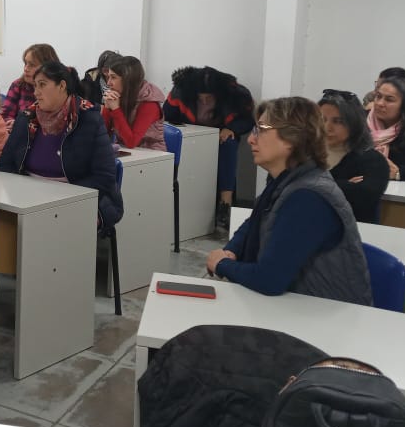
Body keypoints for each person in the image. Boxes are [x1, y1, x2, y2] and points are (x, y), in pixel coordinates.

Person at [205, 97, 372, 304]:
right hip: (298, 307)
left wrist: (222, 264)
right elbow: (254, 222)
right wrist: (230, 251)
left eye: (261, 129)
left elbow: (269, 280)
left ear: (292, 138)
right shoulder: (287, 180)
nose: (251, 139)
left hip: (324, 315)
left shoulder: (308, 197)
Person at [0, 61, 123, 228]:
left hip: (77, 200)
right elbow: (5, 164)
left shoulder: (88, 119)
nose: (36, 92)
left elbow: (104, 177)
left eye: (42, 85)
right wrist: (26, 194)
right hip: (30, 201)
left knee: (47, 228)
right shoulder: (27, 117)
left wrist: (56, 196)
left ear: (62, 86)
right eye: (35, 86)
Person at [163, 65, 255, 232]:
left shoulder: (236, 95)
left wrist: (232, 129)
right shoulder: (181, 92)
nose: (205, 101)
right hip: (191, 136)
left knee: (228, 144)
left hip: (222, 137)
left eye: (209, 97)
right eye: (201, 97)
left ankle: (225, 204)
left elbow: (247, 120)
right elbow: (168, 116)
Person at [318, 89, 390, 224]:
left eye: (337, 121)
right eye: (322, 119)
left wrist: (314, 184)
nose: (327, 127)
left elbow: (363, 198)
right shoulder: (305, 154)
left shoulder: (372, 160)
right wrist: (344, 185)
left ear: (354, 124)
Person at [101, 55, 166, 150]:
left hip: (151, 153)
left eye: (113, 77)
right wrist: (107, 107)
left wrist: (115, 109)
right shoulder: (120, 96)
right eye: (108, 77)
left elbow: (131, 142)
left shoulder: (149, 103)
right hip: (127, 151)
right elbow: (102, 135)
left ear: (128, 80)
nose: (108, 83)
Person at [1, 43, 60, 127]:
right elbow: (5, 115)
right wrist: (13, 123)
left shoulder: (60, 88)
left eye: (32, 65)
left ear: (48, 67)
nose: (26, 69)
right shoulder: (18, 85)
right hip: (22, 133)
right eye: (25, 63)